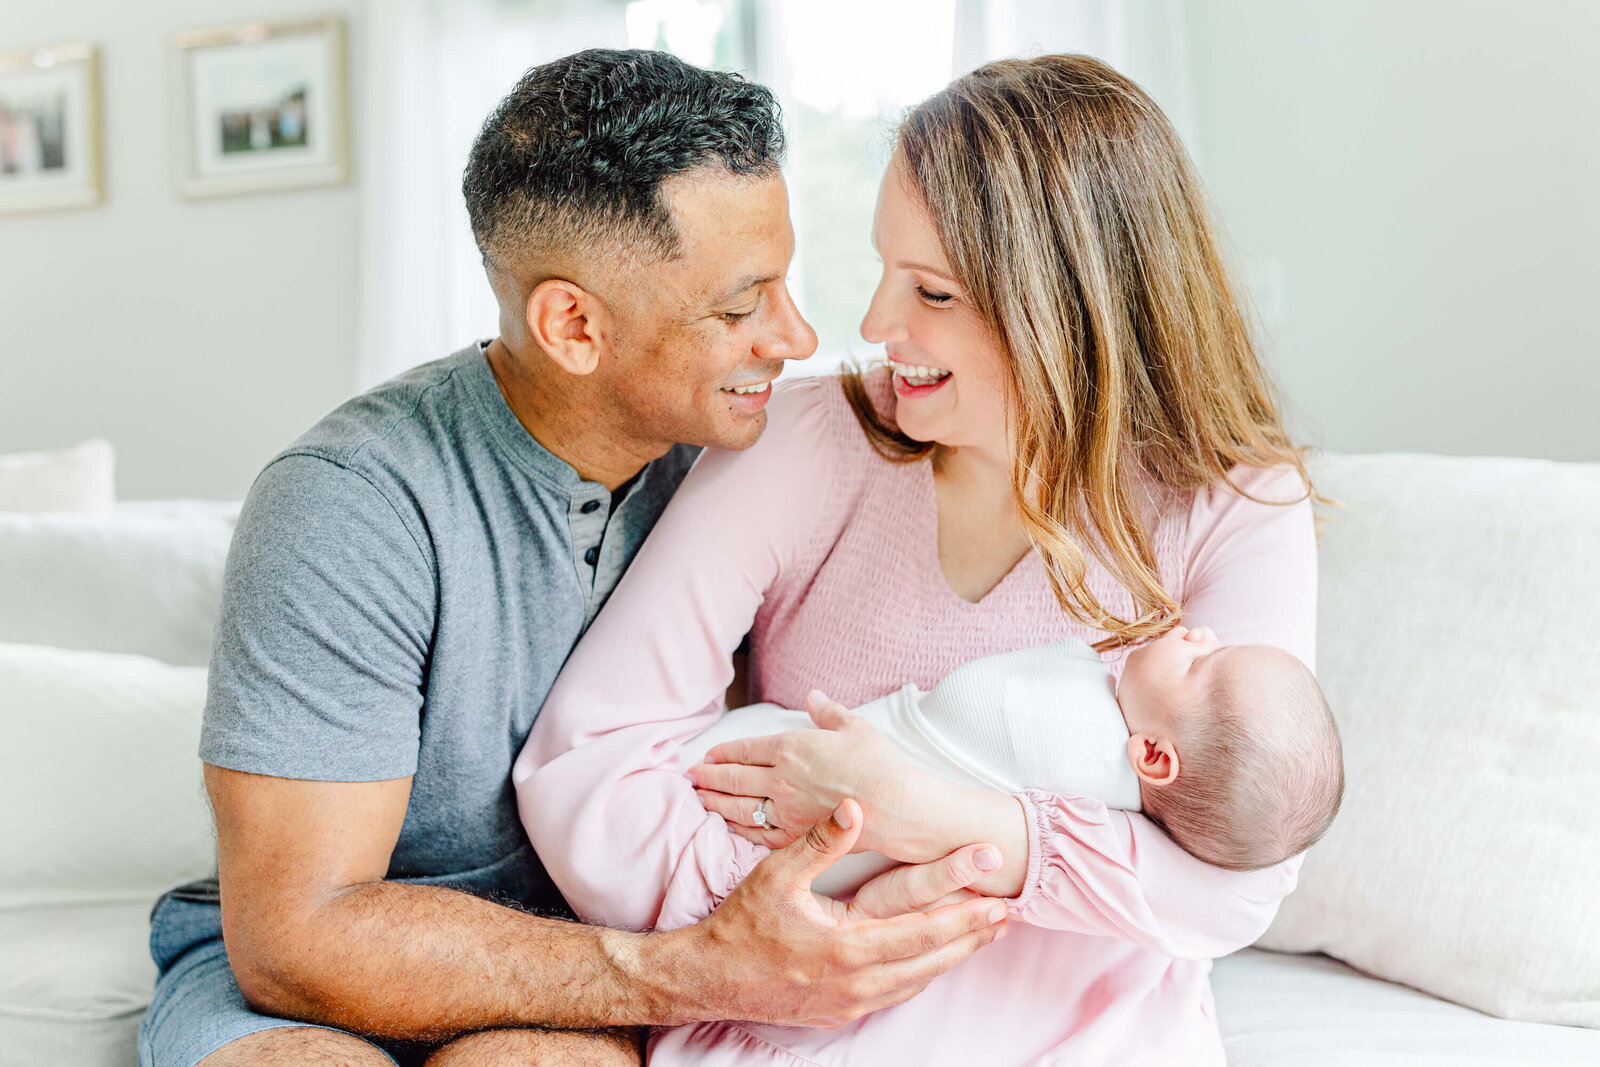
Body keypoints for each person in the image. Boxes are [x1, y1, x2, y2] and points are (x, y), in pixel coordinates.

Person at [138, 50, 1008, 1067]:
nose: (796, 334)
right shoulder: (350, 501)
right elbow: (297, 932)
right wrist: (695, 966)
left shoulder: (760, 459)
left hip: (589, 974)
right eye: (739, 306)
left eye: (785, 283)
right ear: (573, 325)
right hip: (327, 980)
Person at [517, 53, 1322, 1065]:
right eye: (884, 268)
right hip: (799, 1014)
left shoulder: (1234, 503)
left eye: (931, 290)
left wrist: (935, 816)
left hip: (1095, 1033)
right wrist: (797, 914)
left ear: (1068, 310)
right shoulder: (804, 442)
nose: (872, 326)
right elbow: (588, 762)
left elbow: (1241, 876)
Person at [682, 624, 1343, 898]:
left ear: (1152, 754)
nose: (1200, 631)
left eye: (1203, 660)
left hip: (739, 821)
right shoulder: (1105, 795)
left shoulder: (1069, 734)